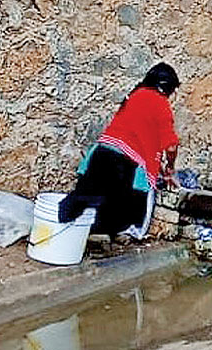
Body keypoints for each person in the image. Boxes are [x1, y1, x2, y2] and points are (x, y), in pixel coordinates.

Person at [59, 62, 181, 239]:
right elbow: (170, 146)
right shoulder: (161, 104)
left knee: (80, 202)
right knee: (122, 216)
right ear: (168, 88)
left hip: (101, 154)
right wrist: (169, 169)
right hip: (123, 165)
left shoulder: (134, 95)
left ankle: (59, 232)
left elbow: (138, 137)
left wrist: (160, 168)